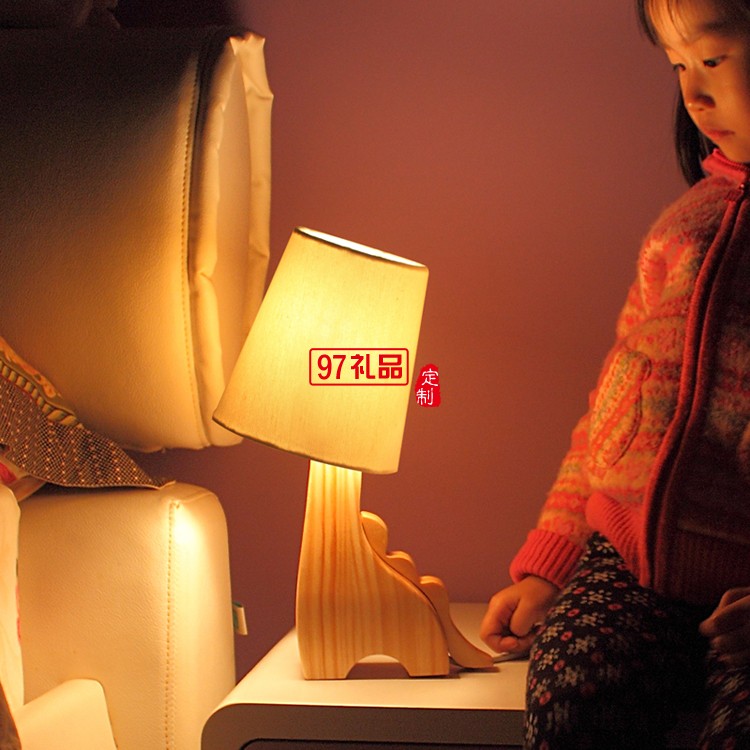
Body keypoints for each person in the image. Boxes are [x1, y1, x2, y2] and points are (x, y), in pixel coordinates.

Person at [480, 1, 750, 747]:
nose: (692, 93)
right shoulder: (681, 228)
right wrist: (549, 564)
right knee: (573, 696)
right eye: (678, 65)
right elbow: (609, 419)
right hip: (627, 570)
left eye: (713, 59)